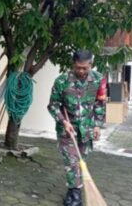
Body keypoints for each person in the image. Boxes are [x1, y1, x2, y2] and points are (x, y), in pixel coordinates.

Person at [47, 50, 106, 206]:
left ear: (90, 65)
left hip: (86, 129)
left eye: (84, 68)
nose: (81, 71)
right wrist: (63, 122)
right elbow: (53, 105)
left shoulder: (99, 80)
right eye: (78, 67)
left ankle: (75, 191)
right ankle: (75, 195)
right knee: (72, 161)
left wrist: (98, 125)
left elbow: (100, 103)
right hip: (67, 129)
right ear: (73, 65)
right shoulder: (62, 81)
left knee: (81, 160)